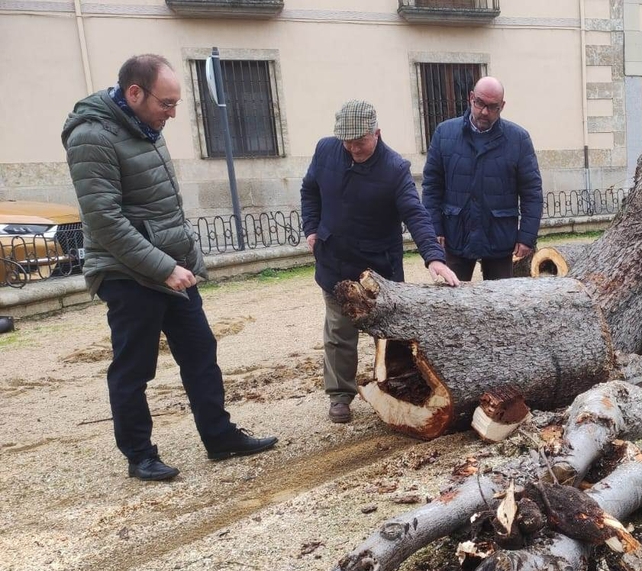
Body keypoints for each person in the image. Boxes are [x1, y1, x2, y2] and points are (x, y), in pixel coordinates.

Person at [62, 54, 277, 482]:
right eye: (167, 103)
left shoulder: (147, 126)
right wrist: (163, 268)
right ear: (134, 93)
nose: (173, 114)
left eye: (177, 104)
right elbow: (105, 221)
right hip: (127, 274)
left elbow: (162, 206)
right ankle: (139, 454)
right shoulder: (91, 137)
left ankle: (220, 437)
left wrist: (185, 258)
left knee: (201, 352)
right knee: (135, 368)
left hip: (170, 268)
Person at [301, 100, 461, 424]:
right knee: (338, 334)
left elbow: (416, 214)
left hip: (378, 271)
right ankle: (340, 396)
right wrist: (312, 227)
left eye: (359, 141)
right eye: (347, 141)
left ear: (377, 133)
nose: (353, 148)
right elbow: (310, 190)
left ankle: (398, 388)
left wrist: (434, 258)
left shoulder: (394, 168)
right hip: (334, 260)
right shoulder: (326, 151)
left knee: (389, 336)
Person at [422, 76, 543, 281]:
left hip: (500, 236)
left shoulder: (518, 139)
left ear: (502, 106)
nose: (484, 112)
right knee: (452, 304)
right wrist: (434, 227)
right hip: (456, 234)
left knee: (502, 306)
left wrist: (526, 236)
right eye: (480, 103)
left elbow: (532, 191)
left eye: (492, 107)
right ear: (471, 98)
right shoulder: (444, 134)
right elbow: (432, 186)